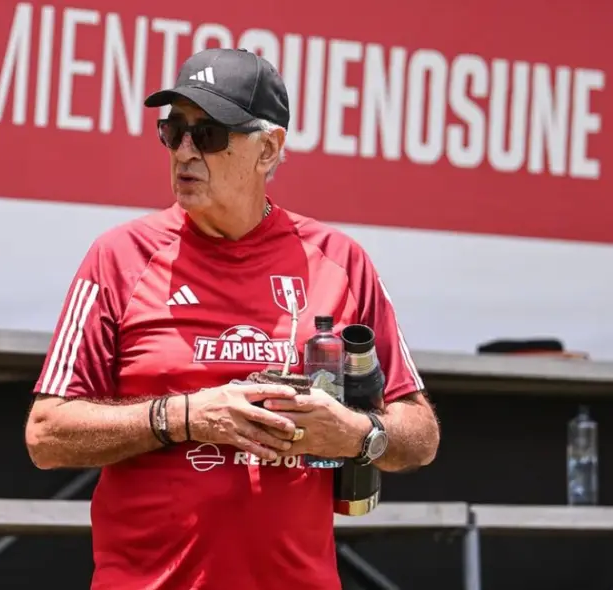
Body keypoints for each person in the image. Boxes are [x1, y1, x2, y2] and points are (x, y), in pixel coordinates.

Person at [24, 47, 440, 590]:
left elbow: (421, 433)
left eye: (210, 134)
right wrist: (185, 417)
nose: (185, 152)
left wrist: (357, 434)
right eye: (174, 132)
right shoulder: (119, 257)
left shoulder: (341, 260)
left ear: (268, 148)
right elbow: (46, 434)